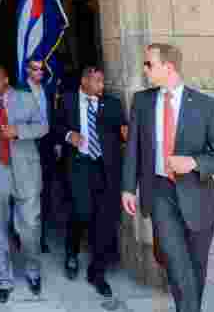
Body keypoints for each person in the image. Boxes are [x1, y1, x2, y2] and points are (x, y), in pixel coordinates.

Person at [122, 44, 214, 312]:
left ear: (168, 67)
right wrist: (128, 188)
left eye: (149, 64)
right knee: (175, 261)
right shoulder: (142, 101)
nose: (145, 69)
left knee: (195, 267)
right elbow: (134, 147)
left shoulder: (206, 106)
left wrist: (193, 162)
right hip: (160, 192)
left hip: (197, 195)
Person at [0, 66, 48, 302]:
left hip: (25, 168)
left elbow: (43, 126)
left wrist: (18, 131)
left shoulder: (26, 99)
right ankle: (2, 280)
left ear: (6, 80)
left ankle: (33, 271)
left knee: (30, 225)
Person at [53, 66, 126, 298]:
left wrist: (125, 133)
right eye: (97, 81)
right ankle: (72, 252)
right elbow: (55, 127)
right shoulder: (67, 101)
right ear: (84, 81)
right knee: (81, 212)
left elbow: (122, 130)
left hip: (104, 168)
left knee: (103, 219)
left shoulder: (112, 104)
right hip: (79, 165)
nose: (102, 86)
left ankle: (97, 272)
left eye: (102, 81)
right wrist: (68, 135)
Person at [25, 59, 59, 253]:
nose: (40, 72)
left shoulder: (47, 90)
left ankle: (41, 236)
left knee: (44, 192)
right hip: (26, 145)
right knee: (27, 193)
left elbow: (52, 117)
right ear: (28, 70)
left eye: (42, 69)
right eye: (35, 69)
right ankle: (25, 235)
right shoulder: (19, 91)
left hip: (46, 145)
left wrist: (56, 142)